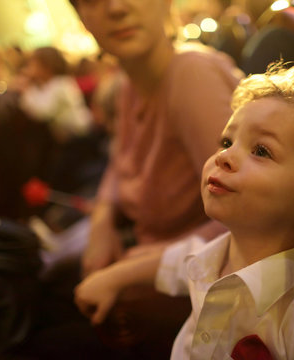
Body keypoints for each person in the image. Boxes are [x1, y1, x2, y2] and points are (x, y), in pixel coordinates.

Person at [75, 63, 294, 359]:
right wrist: (110, 279)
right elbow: (171, 263)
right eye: (227, 142)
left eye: (261, 151)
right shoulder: (211, 257)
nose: (225, 157)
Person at [69, 0, 243, 355]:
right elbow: (119, 166)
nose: (116, 8)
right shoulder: (128, 86)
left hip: (202, 300)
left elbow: (249, 218)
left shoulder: (190, 76)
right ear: (81, 19)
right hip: (150, 275)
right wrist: (102, 219)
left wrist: (135, 271)